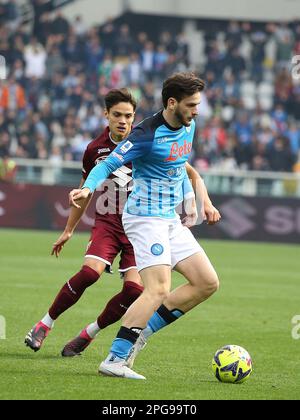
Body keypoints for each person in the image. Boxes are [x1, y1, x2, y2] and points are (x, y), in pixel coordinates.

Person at [69, 72, 221, 379]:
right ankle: (114, 360)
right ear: (172, 102)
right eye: (192, 105)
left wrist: (196, 199)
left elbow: (180, 167)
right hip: (144, 218)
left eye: (198, 104)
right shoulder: (145, 134)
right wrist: (88, 188)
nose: (197, 111)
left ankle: (140, 333)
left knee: (206, 282)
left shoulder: (188, 126)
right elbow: (108, 163)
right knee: (157, 288)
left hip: (169, 219)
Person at [24, 88, 145, 354]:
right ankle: (45, 324)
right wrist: (69, 229)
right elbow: (84, 192)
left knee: (135, 290)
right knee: (90, 272)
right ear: (106, 115)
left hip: (140, 228)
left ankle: (88, 334)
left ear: (134, 117)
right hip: (109, 224)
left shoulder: (144, 143)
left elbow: (180, 166)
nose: (123, 121)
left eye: (128, 115)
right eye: (117, 115)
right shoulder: (94, 149)